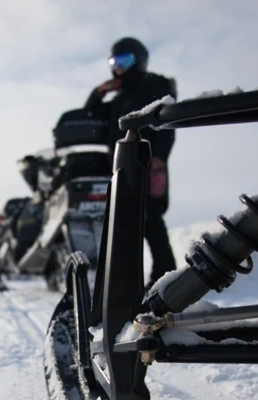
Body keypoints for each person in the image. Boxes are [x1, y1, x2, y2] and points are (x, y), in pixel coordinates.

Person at [86, 37, 178, 286]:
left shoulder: (155, 84)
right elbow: (90, 114)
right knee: (125, 223)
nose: (118, 68)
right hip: (119, 169)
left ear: (139, 60)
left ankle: (165, 274)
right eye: (114, 62)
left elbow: (168, 123)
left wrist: (159, 158)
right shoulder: (118, 98)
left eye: (124, 60)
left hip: (147, 163)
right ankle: (128, 282)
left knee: (150, 220)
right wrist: (100, 92)